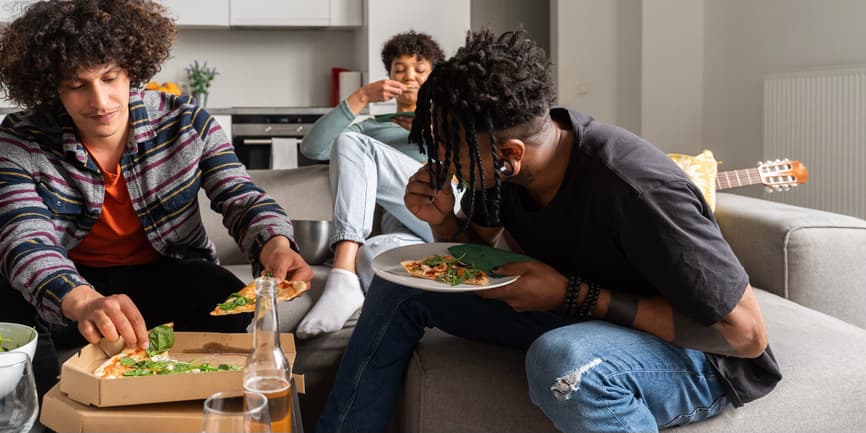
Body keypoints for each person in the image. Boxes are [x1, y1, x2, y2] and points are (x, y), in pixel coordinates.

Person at [316, 29, 782, 433]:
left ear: (511, 153)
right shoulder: (497, 167)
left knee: (562, 361)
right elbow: (481, 258)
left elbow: (745, 335)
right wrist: (444, 223)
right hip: (583, 314)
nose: (440, 160)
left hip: (698, 357)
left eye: (448, 148)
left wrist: (573, 295)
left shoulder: (635, 187)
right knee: (398, 287)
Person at [0, 0, 312, 398]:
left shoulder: (186, 122)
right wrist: (81, 300)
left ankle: (190, 398)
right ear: (50, 88)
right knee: (7, 296)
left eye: (110, 78)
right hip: (71, 288)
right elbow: (22, 238)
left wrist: (276, 244)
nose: (99, 101)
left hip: (161, 275)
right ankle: (42, 408)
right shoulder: (19, 139)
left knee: (222, 292)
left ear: (133, 68)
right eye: (77, 85)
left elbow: (240, 196)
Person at [296, 31, 447, 339]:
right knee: (372, 255)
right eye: (400, 70)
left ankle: (341, 276)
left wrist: (436, 134)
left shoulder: (450, 123)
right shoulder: (375, 129)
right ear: (388, 77)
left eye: (420, 70)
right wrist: (361, 97)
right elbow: (313, 149)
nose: (410, 78)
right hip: (409, 231)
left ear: (434, 78)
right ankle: (357, 291)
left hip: (446, 216)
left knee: (352, 140)